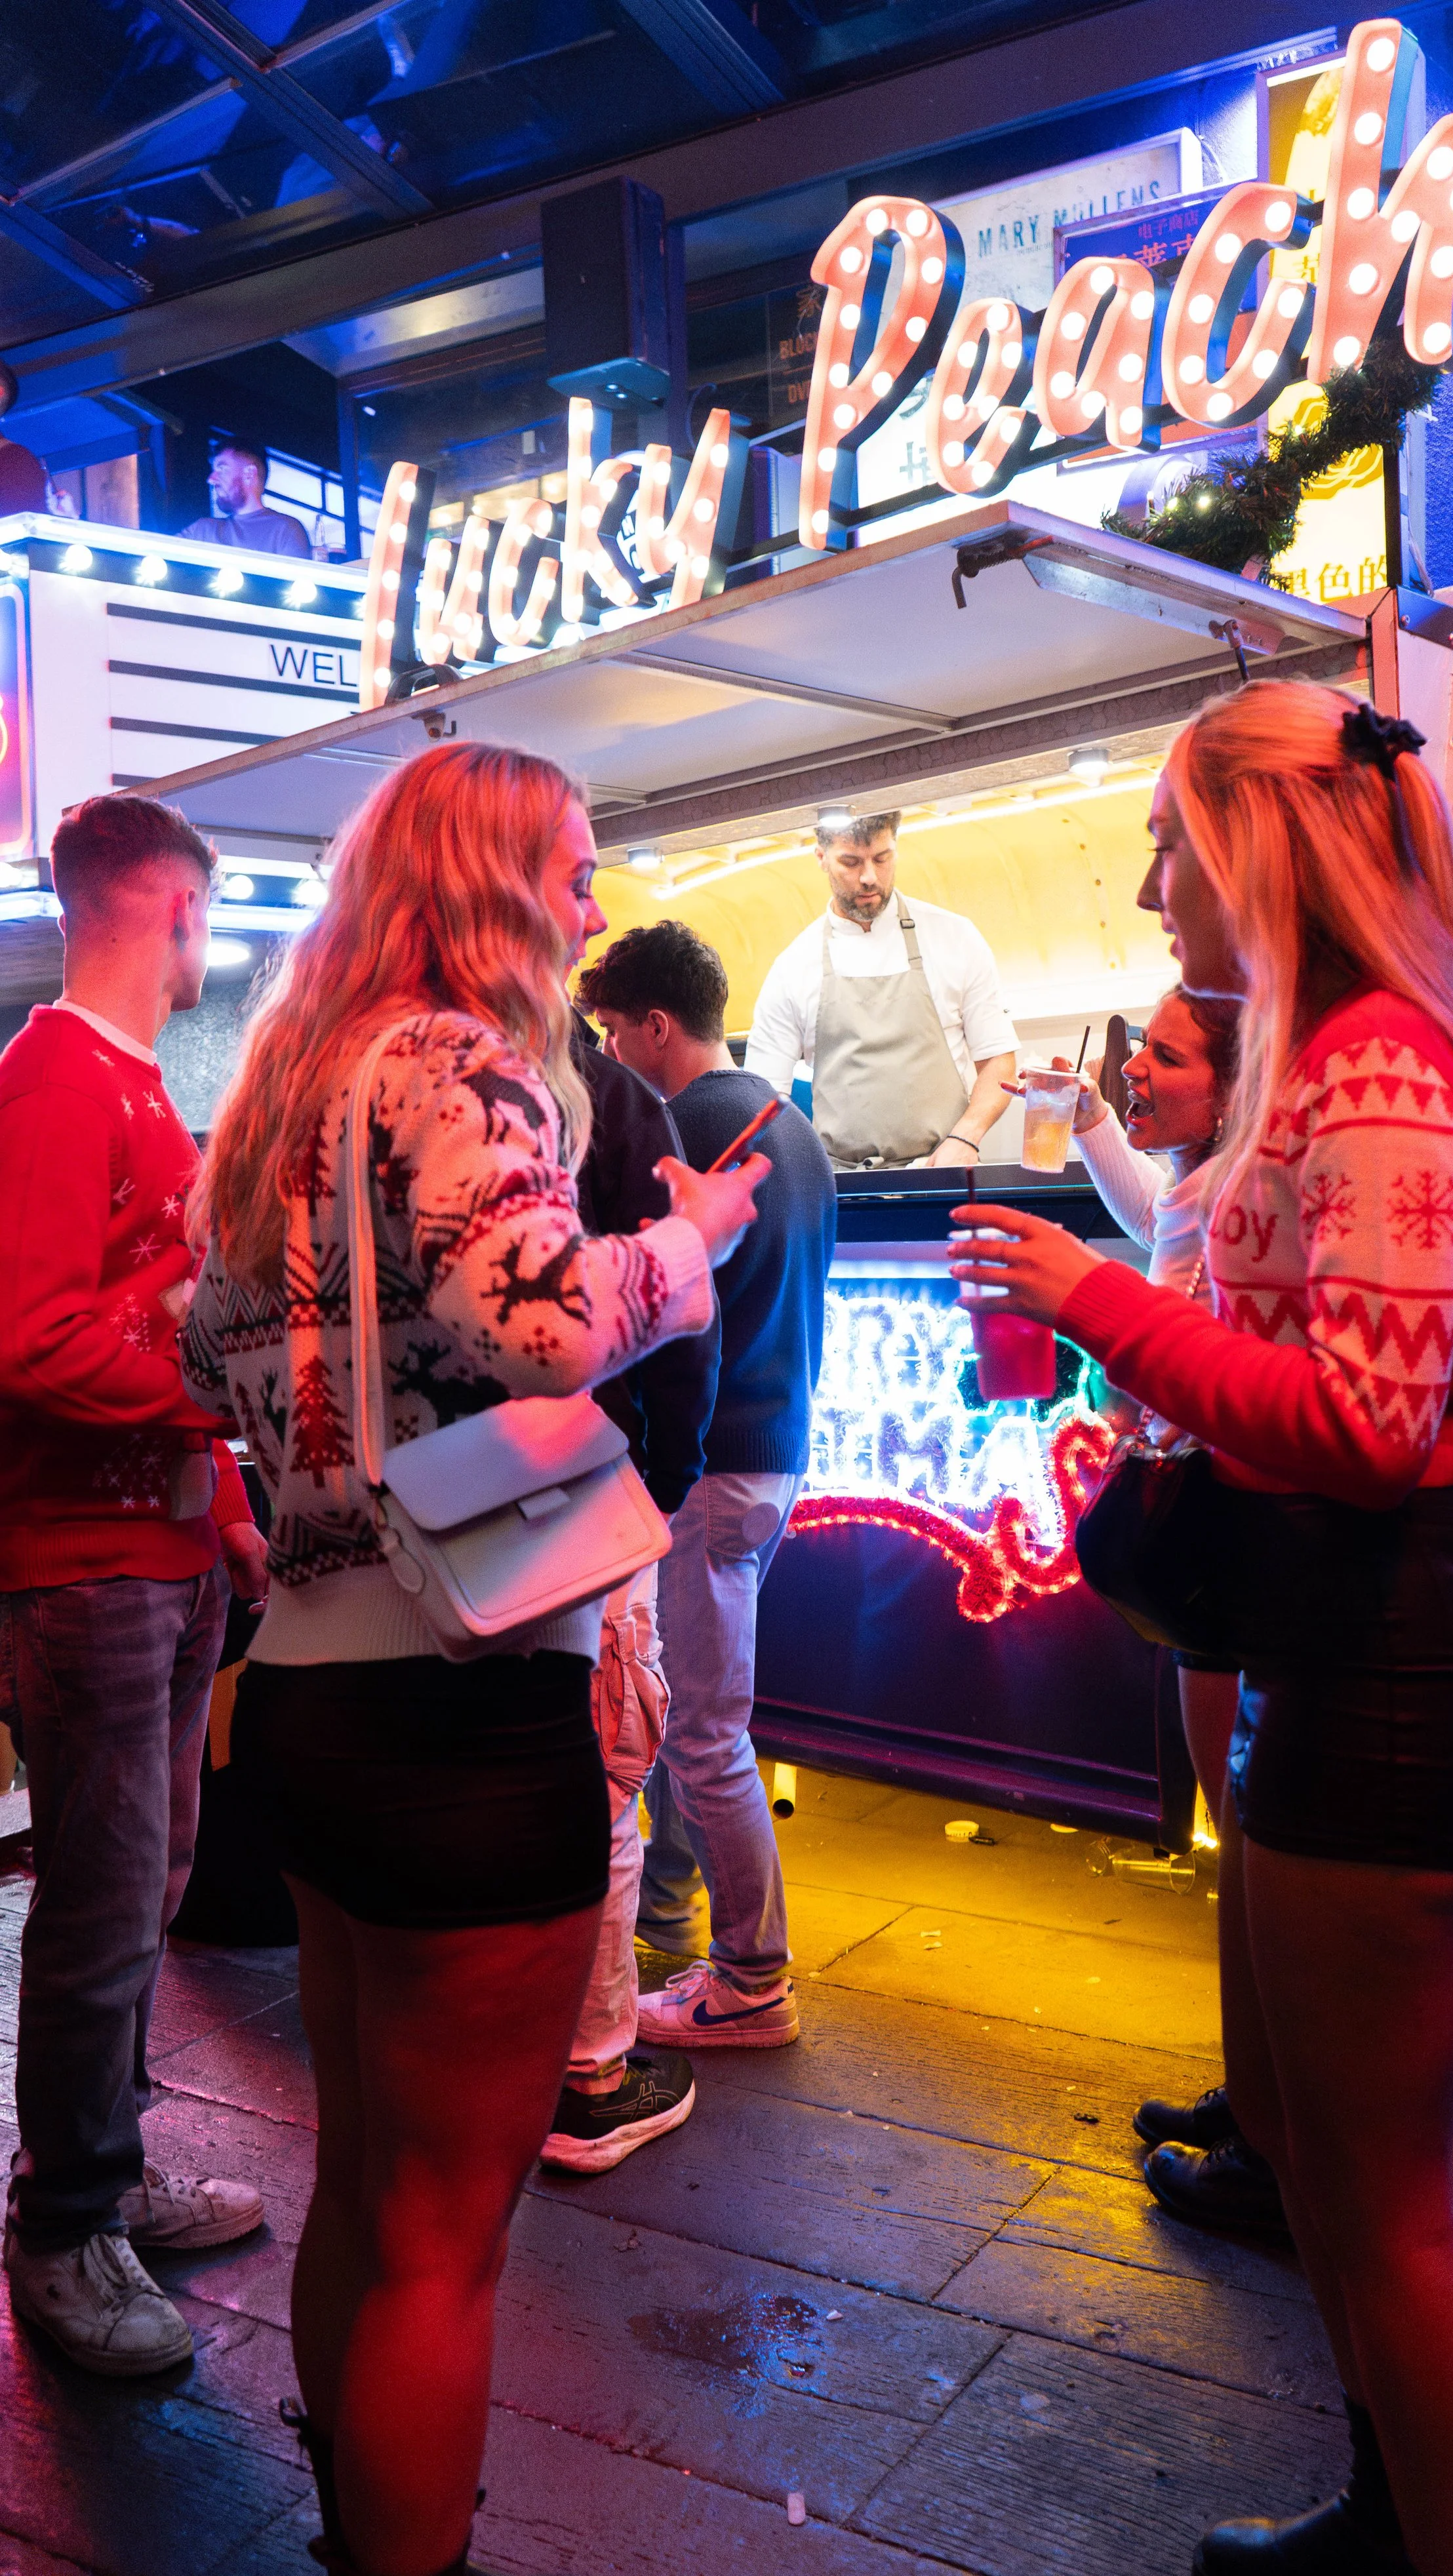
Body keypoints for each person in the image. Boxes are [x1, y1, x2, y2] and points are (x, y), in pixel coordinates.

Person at [947, 682, 1453, 2576]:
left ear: (1254, 843)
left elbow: (1359, 1419)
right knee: (1331, 2176)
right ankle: (1389, 2519)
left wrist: (1100, 1296)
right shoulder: (1338, 1054)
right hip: (1345, 1650)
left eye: (1169, 836)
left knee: (1384, 2201)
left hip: (1391, 1665)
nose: (1154, 876)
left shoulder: (1379, 1064)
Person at [180, 746, 765, 2576]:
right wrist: (685, 1236)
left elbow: (202, 1359)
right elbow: (541, 1321)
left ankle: (358, 2518)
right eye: (574, 871)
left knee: (362, 2179)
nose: (593, 909)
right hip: (467, 1695)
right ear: (492, 879)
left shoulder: (282, 1086)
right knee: (450, 2231)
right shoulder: (458, 1063)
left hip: (311, 1679)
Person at [0, 794, 271, 2377]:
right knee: (108, 1904)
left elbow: (143, 1317)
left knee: (141, 1891)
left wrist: (226, 1504)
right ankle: (67, 2224)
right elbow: (32, 1339)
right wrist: (221, 1411)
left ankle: (102, 2170)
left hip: (157, 1559)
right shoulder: (51, 1083)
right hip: (88, 1570)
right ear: (173, 908)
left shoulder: (120, 1086)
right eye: (205, 920)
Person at [578, 919, 836, 2047]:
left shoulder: (687, 1132)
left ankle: (749, 1977)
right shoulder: (795, 1126)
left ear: (655, 1025)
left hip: (714, 1466)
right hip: (775, 1453)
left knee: (702, 1737)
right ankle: (721, 1955)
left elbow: (661, 1312)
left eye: (610, 1032)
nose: (607, 1058)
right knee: (706, 1723)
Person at [1046, 991, 1279, 2229]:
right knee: (1237, 1831)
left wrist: (1100, 1314)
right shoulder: (1201, 1176)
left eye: (1166, 1056)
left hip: (1222, 1511)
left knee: (1250, 1829)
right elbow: (1158, 1222)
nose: (1140, 1066)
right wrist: (1091, 1124)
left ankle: (1273, 2124)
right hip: (1199, 1507)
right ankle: (1258, 2097)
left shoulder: (1252, 1181)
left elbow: (1206, 1318)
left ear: (1237, 1084)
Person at [540, 1010, 721, 2173]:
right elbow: (679, 1316)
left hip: (430, 1516)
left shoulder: (352, 1074)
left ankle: (510, 2046)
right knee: (608, 1773)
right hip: (591, 1489)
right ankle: (593, 2073)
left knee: (518, 1767)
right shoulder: (603, 1097)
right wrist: (658, 1474)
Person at [745, 808, 1016, 1170]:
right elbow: (764, 1097)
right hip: (842, 1186)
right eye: (851, 862)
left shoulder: (955, 937)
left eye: (882, 858)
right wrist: (799, 1169)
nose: (869, 877)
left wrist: (966, 1136)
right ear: (821, 857)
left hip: (942, 1173)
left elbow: (999, 1061)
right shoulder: (793, 966)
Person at [177, 437, 311, 559]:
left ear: (249, 474)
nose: (211, 479)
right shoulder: (202, 530)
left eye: (222, 469)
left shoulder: (286, 530)